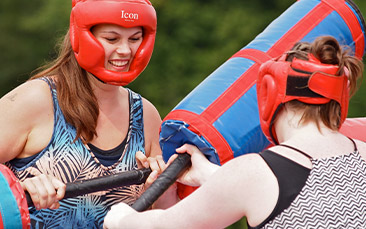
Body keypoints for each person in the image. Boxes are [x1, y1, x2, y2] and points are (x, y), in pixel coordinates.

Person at [103, 35, 366, 229]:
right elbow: (304, 189)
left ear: (272, 93)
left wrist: (121, 219)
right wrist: (212, 175)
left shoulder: (253, 172)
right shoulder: (362, 152)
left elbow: (166, 226)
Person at [0, 0, 178, 228]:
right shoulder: (36, 100)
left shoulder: (146, 115)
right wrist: (13, 188)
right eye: (112, 39)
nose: (125, 50)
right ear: (81, 35)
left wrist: (164, 188)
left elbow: (164, 220)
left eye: (135, 39)